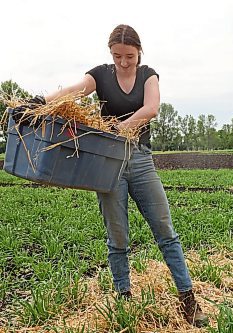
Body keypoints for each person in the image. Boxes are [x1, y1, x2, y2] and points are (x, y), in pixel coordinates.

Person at [14, 24, 208, 327]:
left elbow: (152, 108)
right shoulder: (101, 74)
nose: (123, 62)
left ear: (139, 52)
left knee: (165, 231)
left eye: (129, 56)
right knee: (117, 237)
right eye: (117, 56)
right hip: (107, 164)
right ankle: (123, 297)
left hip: (140, 160)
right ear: (110, 54)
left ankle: (188, 300)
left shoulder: (148, 75)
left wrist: (120, 128)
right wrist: (39, 104)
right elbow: (72, 92)